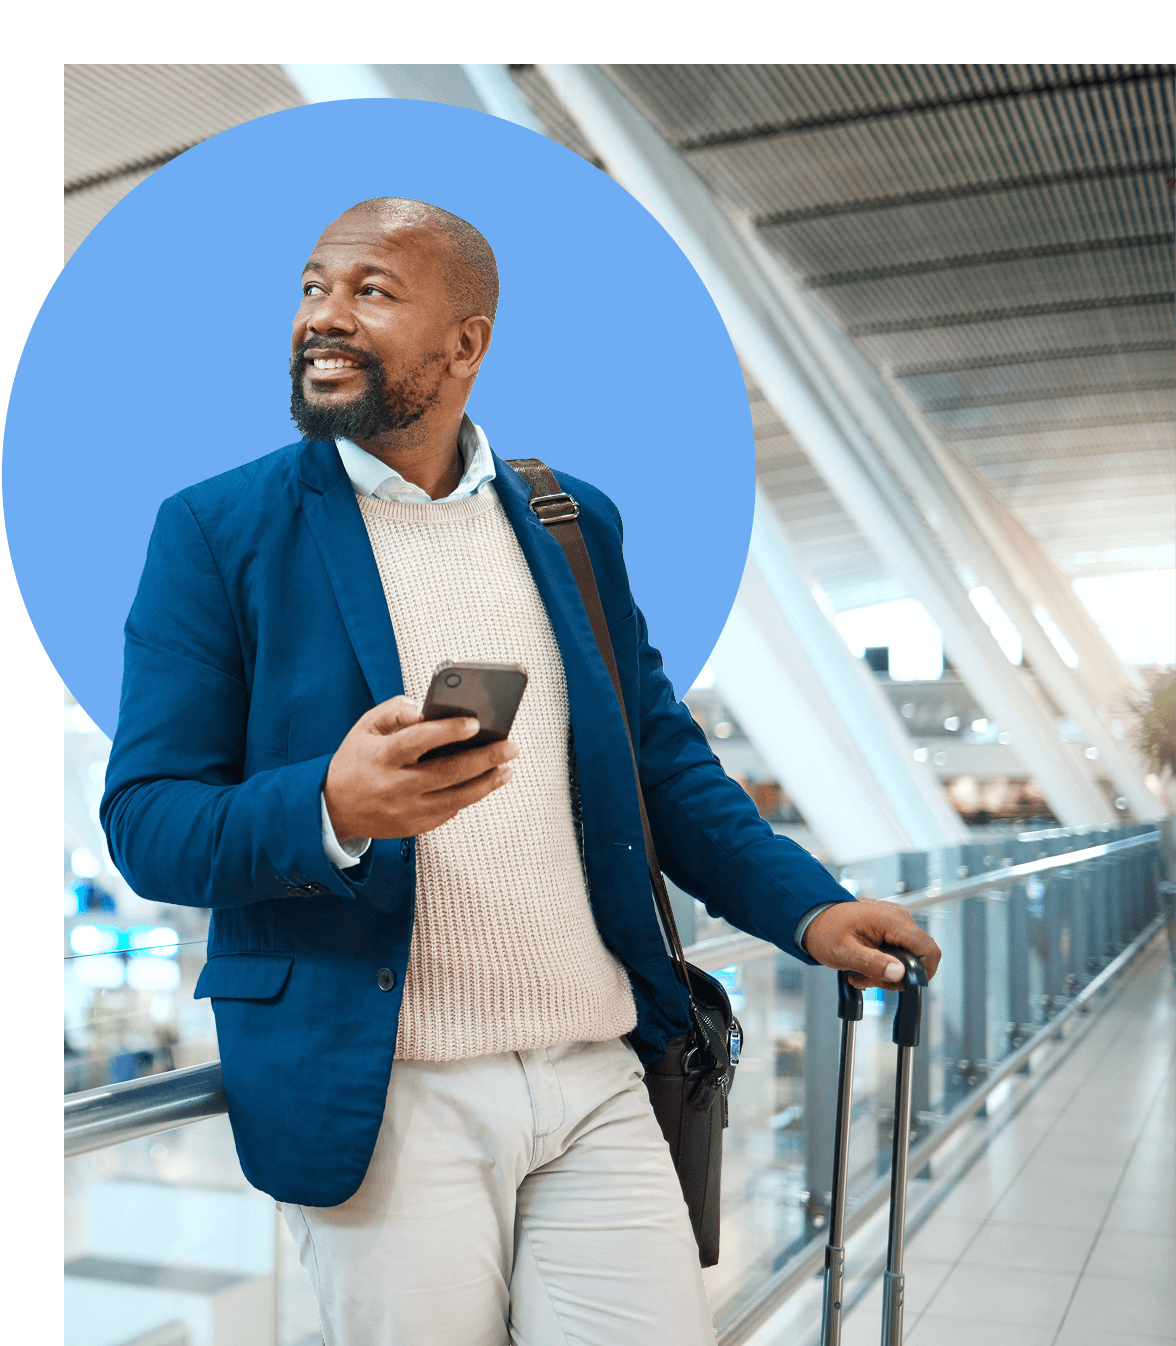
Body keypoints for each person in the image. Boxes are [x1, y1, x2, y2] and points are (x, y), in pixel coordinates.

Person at [101, 197, 941, 1345]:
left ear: (468, 341)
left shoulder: (568, 523)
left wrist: (812, 906)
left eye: (371, 292)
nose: (324, 318)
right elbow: (149, 822)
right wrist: (330, 806)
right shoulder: (216, 529)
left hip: (596, 1064)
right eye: (311, 288)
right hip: (382, 1089)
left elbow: (662, 767)